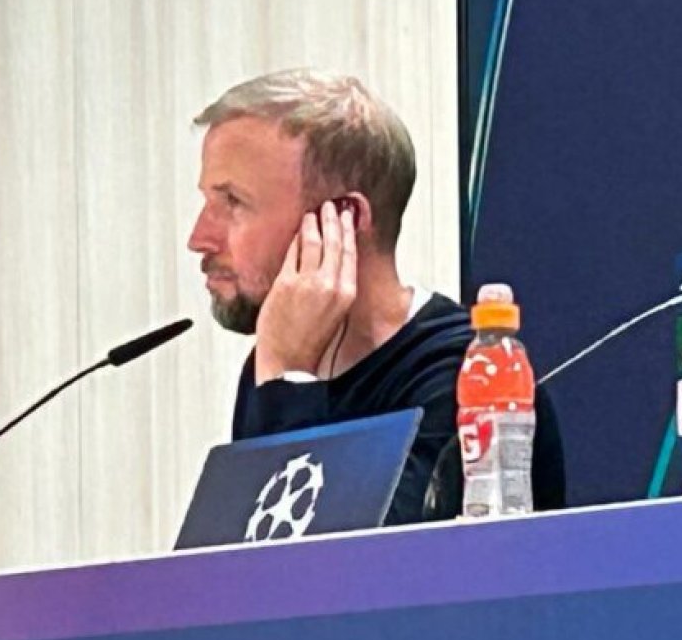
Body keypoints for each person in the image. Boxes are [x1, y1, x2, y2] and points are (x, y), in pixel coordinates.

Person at [187, 68, 565, 523]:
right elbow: (244, 572)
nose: (199, 238)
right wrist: (283, 378)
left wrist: (287, 382)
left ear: (343, 217)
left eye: (232, 203)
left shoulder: (463, 373)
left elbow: (353, 575)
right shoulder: (277, 363)